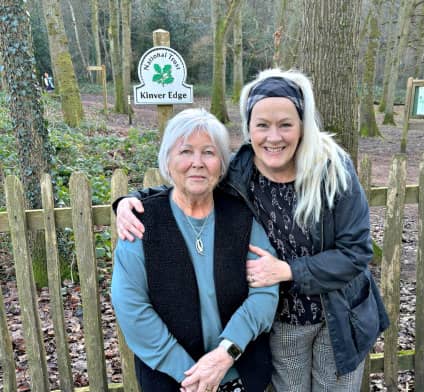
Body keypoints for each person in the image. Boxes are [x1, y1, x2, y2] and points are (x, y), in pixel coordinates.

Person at [114, 69, 389, 392]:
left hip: (338, 313)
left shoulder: (332, 169)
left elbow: (356, 253)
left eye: (285, 124)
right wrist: (127, 201)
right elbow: (189, 182)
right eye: (262, 125)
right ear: (249, 129)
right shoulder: (242, 171)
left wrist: (288, 269)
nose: (274, 137)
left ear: (303, 125)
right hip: (286, 318)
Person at [111, 108, 279, 392]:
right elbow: (132, 309)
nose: (197, 163)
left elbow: (264, 293)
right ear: (168, 159)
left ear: (222, 164)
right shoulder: (141, 223)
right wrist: (192, 377)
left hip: (239, 373)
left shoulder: (241, 217)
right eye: (186, 151)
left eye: (209, 153)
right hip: (172, 380)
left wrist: (225, 355)